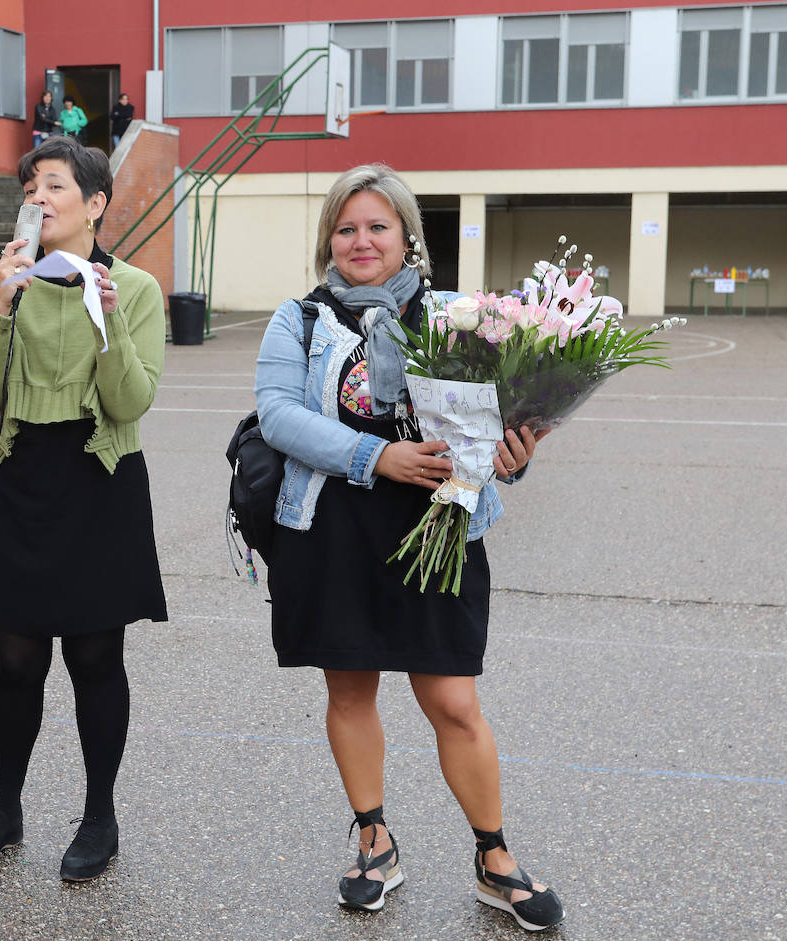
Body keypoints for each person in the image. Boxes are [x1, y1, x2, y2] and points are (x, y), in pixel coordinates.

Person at [253, 163, 563, 932]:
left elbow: (497, 419)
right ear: (330, 236)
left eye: (378, 226)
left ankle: (494, 856)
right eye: (347, 227)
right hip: (333, 530)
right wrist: (375, 457)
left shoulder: (460, 314)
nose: (361, 240)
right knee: (350, 692)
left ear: (408, 238)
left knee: (454, 701)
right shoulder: (300, 319)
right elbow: (277, 415)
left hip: (439, 529)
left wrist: (515, 453)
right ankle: (373, 837)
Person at [0, 135, 167, 882]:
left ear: (96, 203)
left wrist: (106, 324)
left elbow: (131, 401)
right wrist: (5, 304)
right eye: (32, 187)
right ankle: (5, 806)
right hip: (17, 471)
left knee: (95, 655)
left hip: (97, 476)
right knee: (15, 657)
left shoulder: (134, 288)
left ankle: (99, 812)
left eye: (55, 186)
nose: (38, 199)